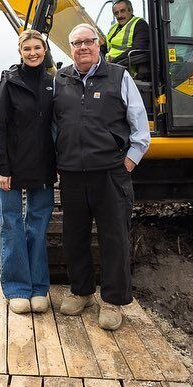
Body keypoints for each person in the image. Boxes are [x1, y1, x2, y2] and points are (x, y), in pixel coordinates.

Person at [53, 23, 150, 330]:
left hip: (110, 173)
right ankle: (81, 292)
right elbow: (55, 125)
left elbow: (140, 126)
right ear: (70, 48)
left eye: (88, 41)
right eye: (76, 42)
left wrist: (129, 161)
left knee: (114, 237)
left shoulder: (119, 76)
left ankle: (112, 301)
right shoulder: (61, 79)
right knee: (75, 236)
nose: (82, 47)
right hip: (72, 173)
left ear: (99, 45)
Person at [0, 29, 57, 315]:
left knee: (38, 226)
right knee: (12, 225)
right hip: (13, 167)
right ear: (20, 52)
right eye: (27, 48)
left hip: (43, 166)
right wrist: (2, 168)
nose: (33, 53)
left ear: (45, 50)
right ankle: (17, 287)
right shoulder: (10, 82)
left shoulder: (53, 83)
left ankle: (39, 287)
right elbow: (0, 127)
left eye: (37, 48)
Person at [105, 0, 150, 78]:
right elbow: (104, 47)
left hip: (126, 69)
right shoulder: (113, 28)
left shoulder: (140, 24)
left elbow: (138, 49)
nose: (119, 16)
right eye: (116, 13)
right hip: (111, 67)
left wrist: (113, 63)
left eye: (122, 11)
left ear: (131, 11)